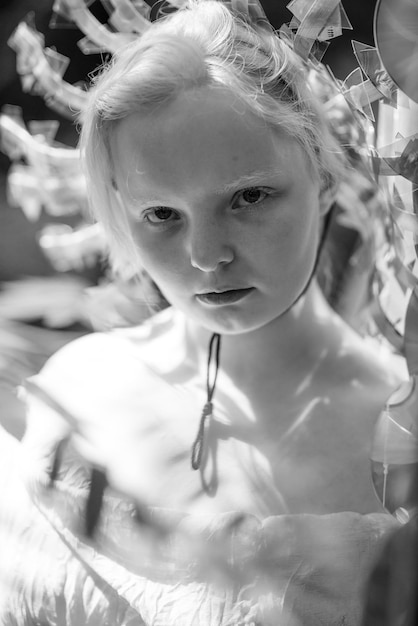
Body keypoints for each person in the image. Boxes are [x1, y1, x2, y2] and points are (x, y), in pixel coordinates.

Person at [0, 1, 407, 624]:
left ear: (325, 174)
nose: (206, 256)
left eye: (249, 197)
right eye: (161, 214)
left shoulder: (397, 439)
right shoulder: (74, 392)